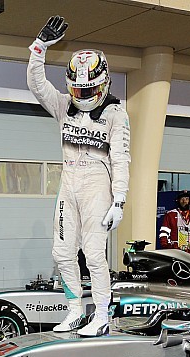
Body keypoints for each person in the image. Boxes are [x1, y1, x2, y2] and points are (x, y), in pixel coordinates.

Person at [28, 15, 131, 337]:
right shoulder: (63, 106)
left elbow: (121, 157)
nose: (84, 94)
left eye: (90, 88)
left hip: (97, 187)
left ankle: (101, 314)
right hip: (68, 183)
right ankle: (74, 310)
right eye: (78, 88)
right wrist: (40, 47)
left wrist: (120, 200)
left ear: (105, 82)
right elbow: (36, 84)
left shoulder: (116, 113)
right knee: (61, 253)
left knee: (95, 255)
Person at [159, 191, 190, 255]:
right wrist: (166, 246)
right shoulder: (170, 214)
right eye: (182, 199)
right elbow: (164, 233)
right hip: (176, 252)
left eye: (186, 199)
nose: (184, 201)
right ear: (178, 201)